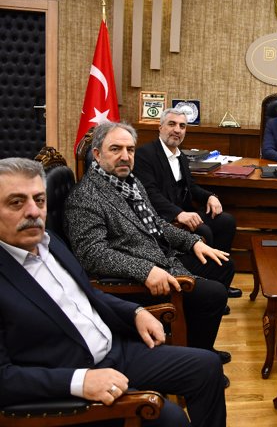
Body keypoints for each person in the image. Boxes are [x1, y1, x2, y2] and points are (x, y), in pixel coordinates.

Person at [0, 157, 226, 426]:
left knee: (207, 366)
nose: (33, 212)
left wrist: (135, 312)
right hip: (72, 375)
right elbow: (4, 376)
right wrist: (79, 381)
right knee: (170, 417)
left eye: (39, 200)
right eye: (16, 202)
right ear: (97, 154)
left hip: (114, 348)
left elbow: (89, 294)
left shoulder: (49, 242)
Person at [64, 122, 234, 373]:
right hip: (133, 280)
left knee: (223, 265)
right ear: (97, 154)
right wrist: (145, 270)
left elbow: (156, 223)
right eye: (116, 149)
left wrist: (193, 242)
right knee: (213, 294)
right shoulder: (85, 197)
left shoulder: (129, 182)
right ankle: (197, 361)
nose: (125, 156)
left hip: (161, 258)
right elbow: (92, 254)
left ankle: (199, 344)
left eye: (130, 149)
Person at [133, 108, 242, 299]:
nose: (177, 130)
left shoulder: (181, 156)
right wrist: (178, 214)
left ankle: (221, 282)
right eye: (172, 124)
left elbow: (190, 186)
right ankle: (205, 286)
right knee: (204, 230)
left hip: (184, 212)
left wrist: (210, 196)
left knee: (226, 221)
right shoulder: (144, 154)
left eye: (182, 126)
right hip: (163, 218)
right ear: (160, 127)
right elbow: (150, 194)